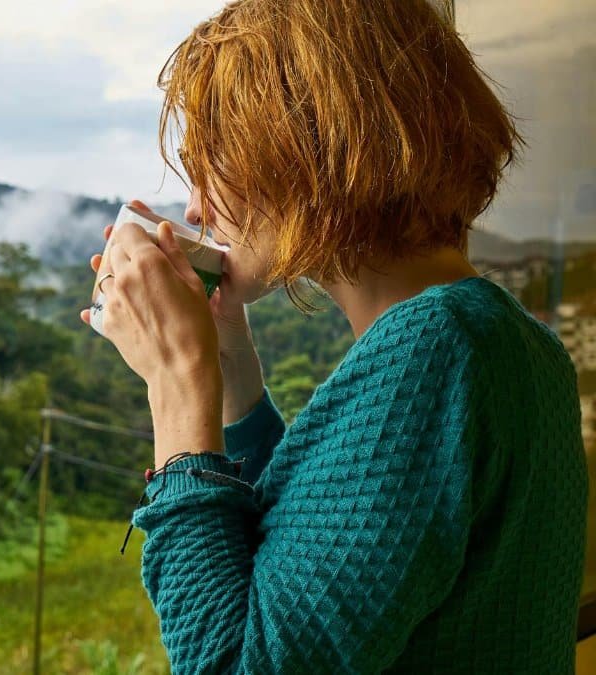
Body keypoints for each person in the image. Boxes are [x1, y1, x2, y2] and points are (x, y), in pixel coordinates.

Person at [78, 0, 589, 672]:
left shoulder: (438, 350)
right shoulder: (505, 339)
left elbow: (235, 660)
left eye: (211, 165)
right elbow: (313, 560)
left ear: (301, 147)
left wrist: (177, 384)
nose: (197, 207)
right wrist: (230, 365)